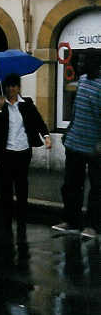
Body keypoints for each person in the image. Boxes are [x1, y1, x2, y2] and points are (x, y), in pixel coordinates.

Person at [53, 51, 101, 239]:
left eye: (82, 60)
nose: (79, 63)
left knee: (97, 189)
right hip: (74, 142)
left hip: (94, 147)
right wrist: (68, 132)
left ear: (93, 63)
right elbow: (75, 110)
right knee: (71, 186)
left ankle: (92, 226)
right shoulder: (81, 81)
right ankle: (71, 221)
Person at [0, 73, 51, 222]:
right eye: (8, 86)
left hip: (23, 151)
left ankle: (22, 215)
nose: (11, 89)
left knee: (21, 184)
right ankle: (6, 216)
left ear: (19, 88)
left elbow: (38, 121)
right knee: (5, 186)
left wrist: (46, 136)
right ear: (4, 88)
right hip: (6, 152)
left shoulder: (27, 103)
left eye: (14, 86)